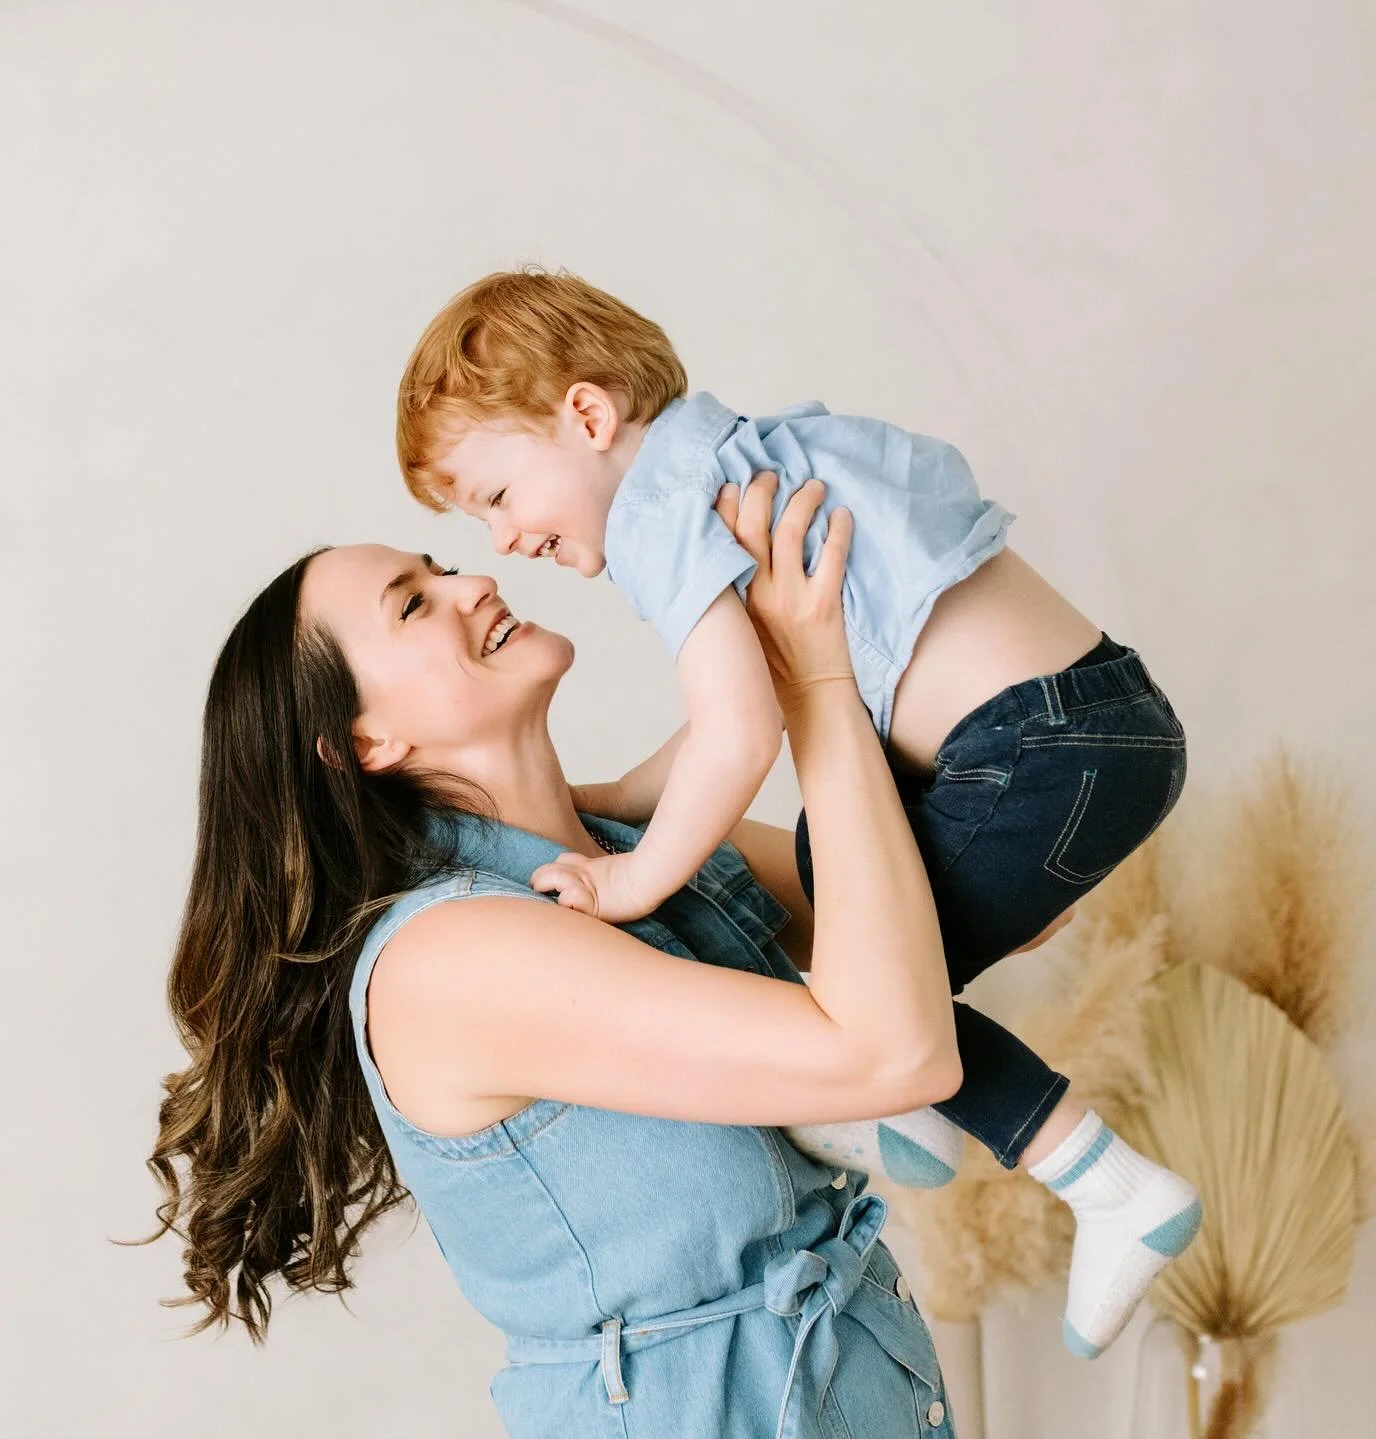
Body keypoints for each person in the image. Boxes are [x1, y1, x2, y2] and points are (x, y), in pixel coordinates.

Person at [392, 268, 1202, 1357]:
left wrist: (637, 876)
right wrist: (614, 799)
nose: (502, 541)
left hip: (1031, 748)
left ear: (585, 417)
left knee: (877, 981)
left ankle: (1087, 1175)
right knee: (839, 864)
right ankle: (913, 1116)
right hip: (1099, 712)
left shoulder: (663, 518)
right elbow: (766, 686)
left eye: (494, 496)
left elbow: (742, 732)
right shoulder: (743, 462)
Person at [146, 478, 965, 1437]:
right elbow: (894, 1054)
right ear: (367, 741)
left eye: (442, 567)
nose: (470, 584)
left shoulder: (633, 849)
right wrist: (813, 684)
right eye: (413, 603)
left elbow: (980, 924)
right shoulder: (449, 957)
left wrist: (884, 631)